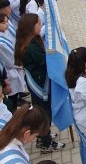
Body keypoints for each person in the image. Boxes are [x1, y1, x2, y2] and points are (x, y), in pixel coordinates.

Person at [14, 14, 62, 153]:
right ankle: (44, 142)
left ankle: (44, 134)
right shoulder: (29, 47)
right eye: (39, 24)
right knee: (43, 111)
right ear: (31, 26)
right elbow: (44, 60)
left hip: (39, 78)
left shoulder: (32, 40)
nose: (40, 26)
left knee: (44, 110)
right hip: (39, 83)